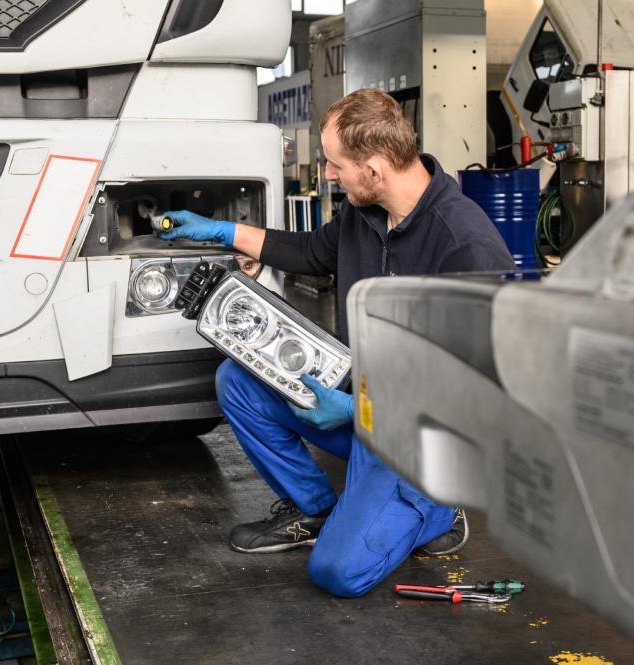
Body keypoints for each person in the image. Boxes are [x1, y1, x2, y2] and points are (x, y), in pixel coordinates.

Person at [160, 88, 516, 597]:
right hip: (362, 405)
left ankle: (436, 511)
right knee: (239, 379)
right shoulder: (364, 212)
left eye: (334, 164)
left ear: (374, 169)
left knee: (337, 574)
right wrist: (220, 230)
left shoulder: (466, 246)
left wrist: (355, 407)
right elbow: (309, 251)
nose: (327, 174)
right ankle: (317, 509)